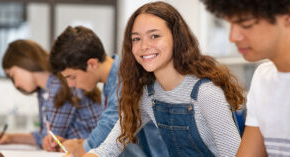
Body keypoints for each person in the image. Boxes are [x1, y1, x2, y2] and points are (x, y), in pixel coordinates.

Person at [80, 1, 245, 157]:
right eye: (136, 39)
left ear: (176, 38)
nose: (144, 46)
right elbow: (109, 148)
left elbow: (234, 154)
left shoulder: (206, 93)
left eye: (154, 36)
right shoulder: (147, 95)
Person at [50, 26, 168, 157]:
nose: (70, 84)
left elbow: (107, 131)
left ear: (92, 64)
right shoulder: (111, 82)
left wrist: (79, 149)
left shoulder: (126, 80)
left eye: (72, 77)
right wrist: (80, 144)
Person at [201, 0, 290, 156]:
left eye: (246, 24)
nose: (233, 37)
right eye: (231, 24)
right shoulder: (263, 77)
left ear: (287, 17)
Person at [0, 39, 102, 150]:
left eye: (13, 75)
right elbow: (46, 136)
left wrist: (13, 138)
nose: (16, 84)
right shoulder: (44, 90)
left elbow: (51, 140)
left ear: (25, 62)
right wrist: (9, 138)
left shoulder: (60, 85)